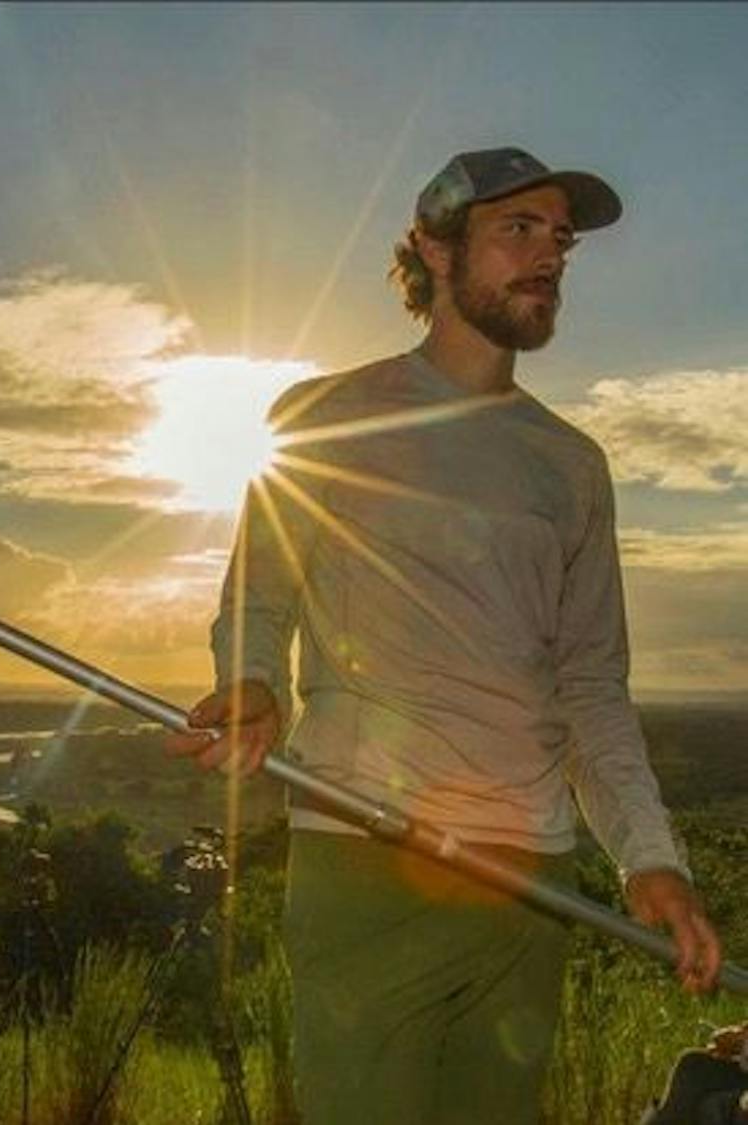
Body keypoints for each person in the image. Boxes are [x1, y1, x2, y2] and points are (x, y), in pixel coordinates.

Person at [165, 147, 724, 1125]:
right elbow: (259, 596)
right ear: (433, 248)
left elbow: (592, 687)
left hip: (533, 880)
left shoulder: (572, 465)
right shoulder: (323, 416)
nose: (548, 256)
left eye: (561, 240)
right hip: (367, 853)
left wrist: (651, 858)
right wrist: (255, 685)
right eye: (518, 230)